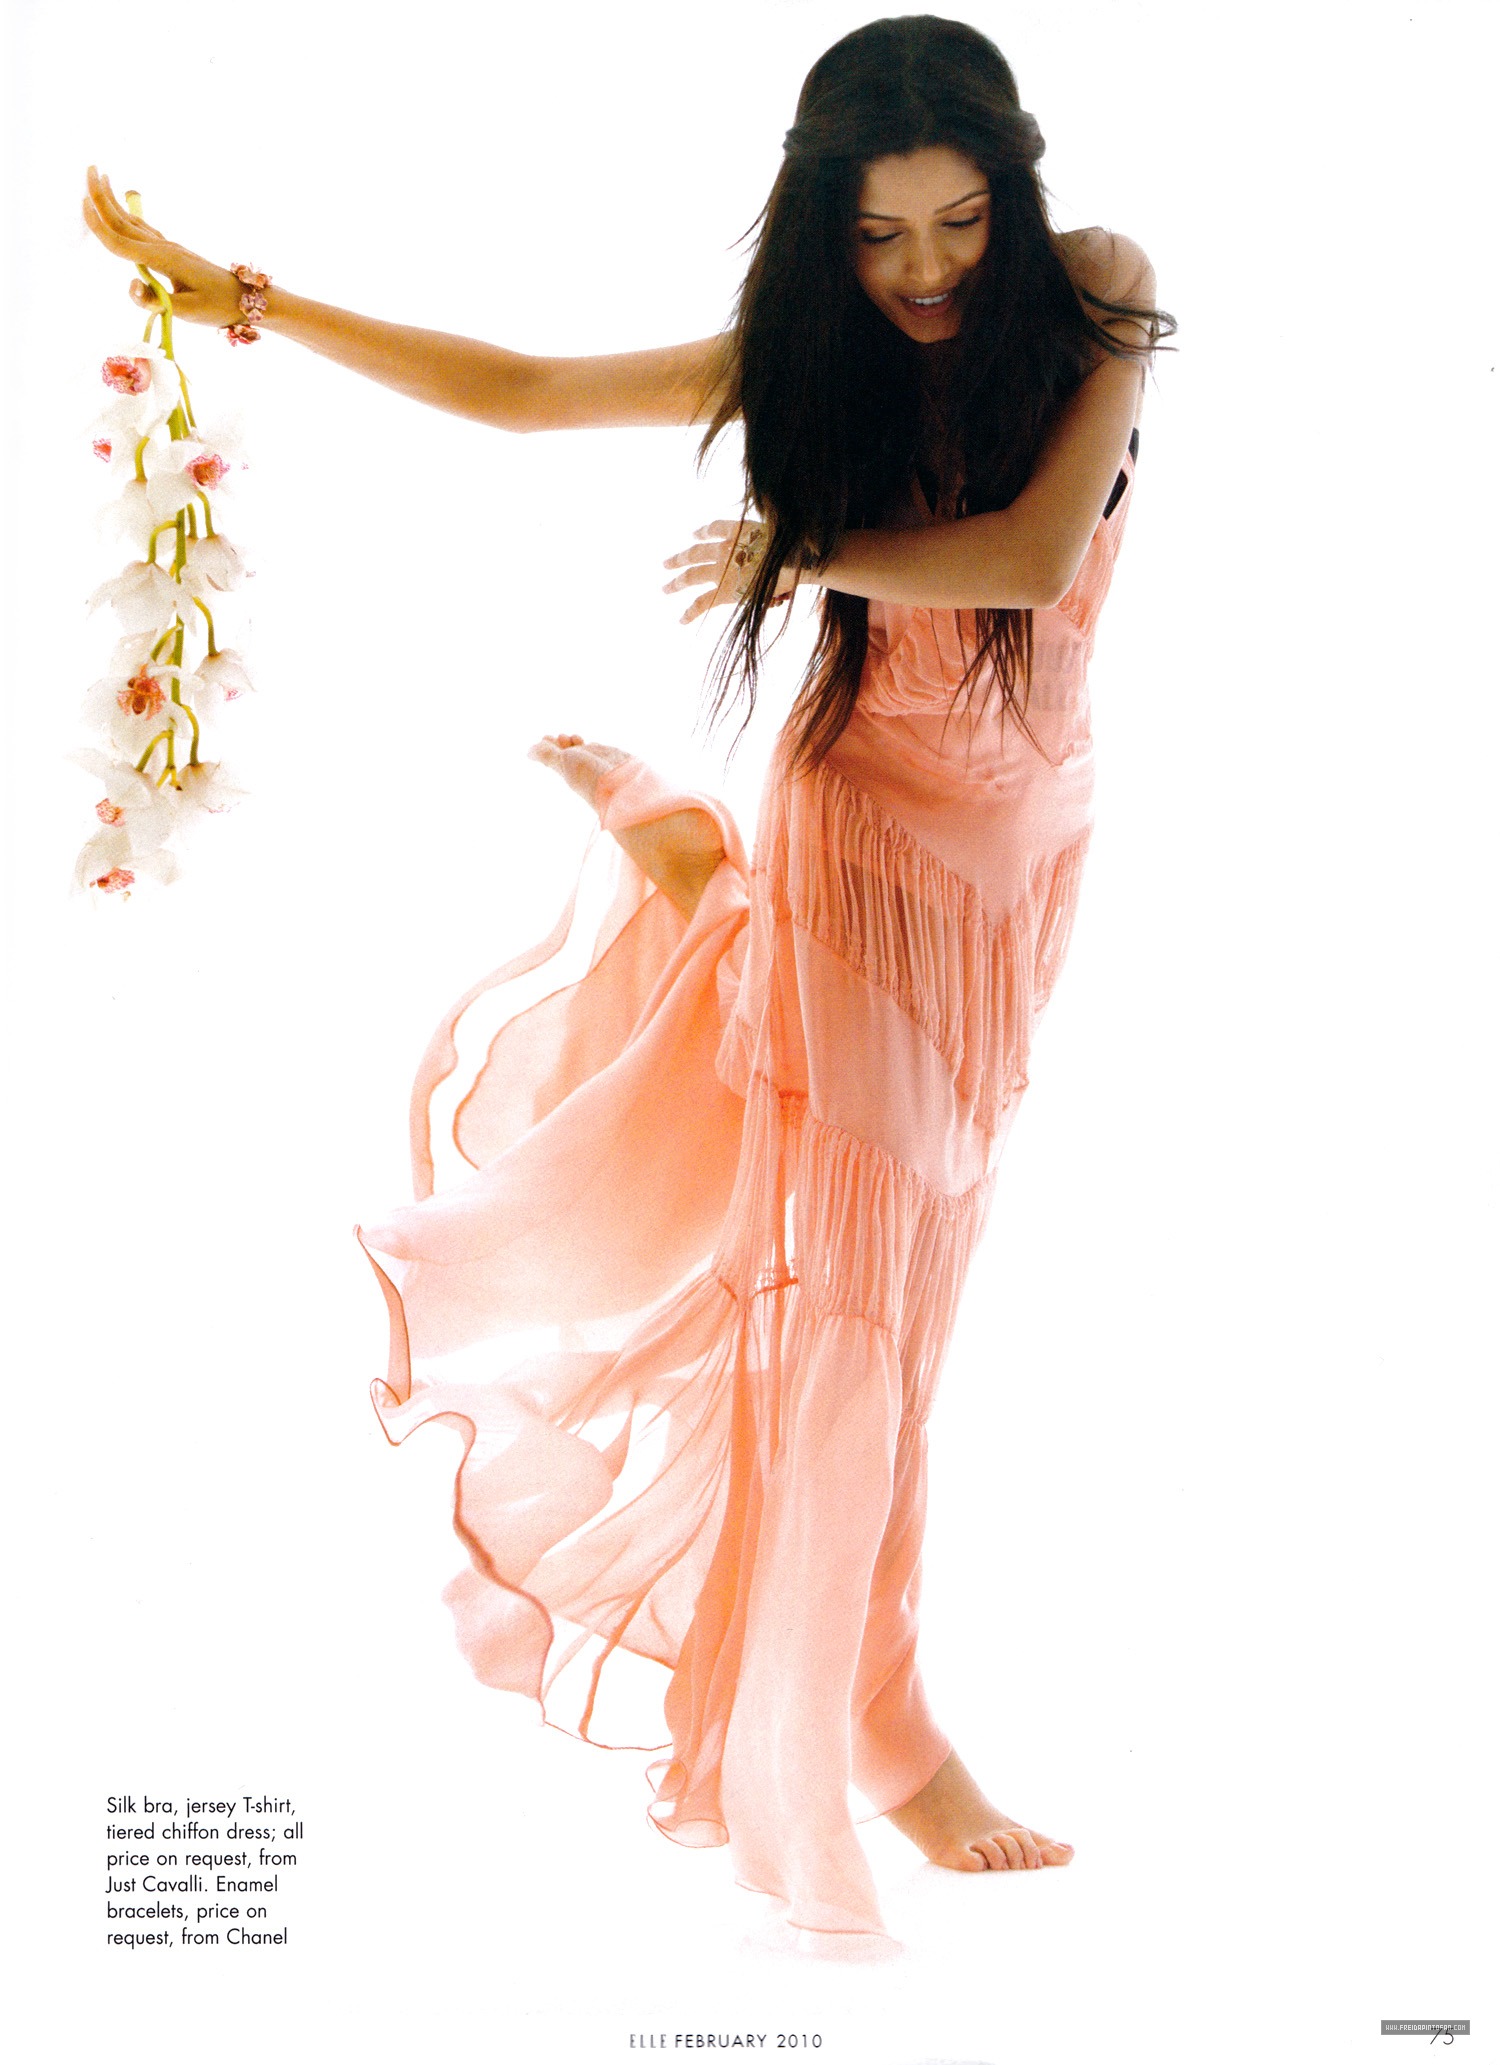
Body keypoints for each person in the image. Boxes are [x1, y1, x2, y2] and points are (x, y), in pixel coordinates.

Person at [83, 13, 1173, 1952]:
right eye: (878, 235)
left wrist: (798, 550)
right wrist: (235, 296)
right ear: (823, 227)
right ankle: (872, 1738)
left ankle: (694, 885)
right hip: (863, 828)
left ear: (1014, 193)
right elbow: (520, 393)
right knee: (850, 1299)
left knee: (918, 1283)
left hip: (1022, 852)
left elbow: (1023, 559)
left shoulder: (1093, 295)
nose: (924, 270)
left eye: (956, 223)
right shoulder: (807, 351)